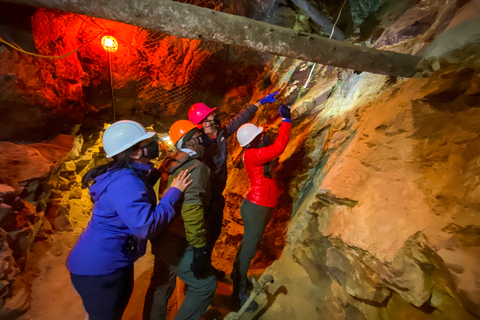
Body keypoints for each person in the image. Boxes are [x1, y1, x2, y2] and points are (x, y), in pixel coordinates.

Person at [66, 120, 192, 320]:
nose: (153, 146)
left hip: (103, 263)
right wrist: (173, 193)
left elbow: (133, 196)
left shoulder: (123, 173)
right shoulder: (126, 182)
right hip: (100, 271)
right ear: (133, 153)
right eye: (145, 144)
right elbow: (146, 226)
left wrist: (158, 172)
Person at [187, 92, 279, 276]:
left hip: (217, 195)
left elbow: (238, 120)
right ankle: (195, 273)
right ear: (203, 123)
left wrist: (259, 103)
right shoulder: (198, 145)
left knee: (213, 233)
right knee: (200, 237)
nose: (215, 116)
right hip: (204, 197)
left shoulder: (219, 134)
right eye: (211, 116)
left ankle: (206, 267)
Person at [143, 120, 216, 320]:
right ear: (189, 141)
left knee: (162, 283)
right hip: (178, 238)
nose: (203, 138)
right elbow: (192, 211)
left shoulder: (170, 161)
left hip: (162, 233)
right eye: (198, 136)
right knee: (205, 285)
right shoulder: (196, 168)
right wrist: (199, 247)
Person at [231, 104, 292, 312]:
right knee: (248, 250)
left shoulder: (252, 152)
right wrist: (286, 121)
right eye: (258, 136)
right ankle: (239, 292)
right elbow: (277, 149)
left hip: (257, 205)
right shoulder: (253, 155)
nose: (261, 136)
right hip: (257, 207)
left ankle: (237, 277)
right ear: (252, 142)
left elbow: (268, 150)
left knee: (247, 246)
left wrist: (264, 137)